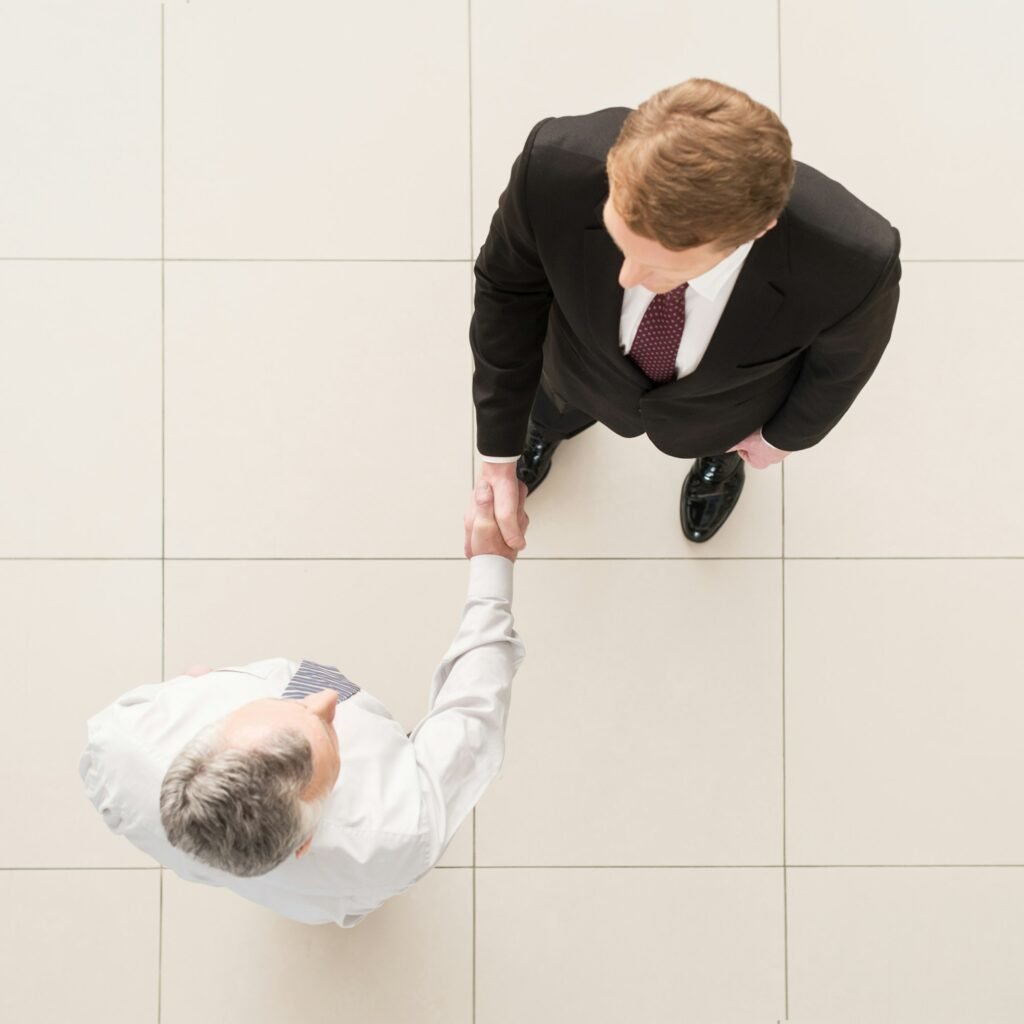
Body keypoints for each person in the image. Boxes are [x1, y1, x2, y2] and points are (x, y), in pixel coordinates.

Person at [468, 78, 901, 546]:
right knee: (554, 407)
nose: (627, 277)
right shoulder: (553, 166)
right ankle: (549, 428)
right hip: (578, 365)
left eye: (657, 265)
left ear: (755, 231)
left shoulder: (853, 263)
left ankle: (718, 460)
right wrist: (499, 450)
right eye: (619, 239)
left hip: (724, 411)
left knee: (717, 436)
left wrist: (780, 440)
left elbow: (840, 371)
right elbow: (508, 290)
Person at [79, 483, 526, 927]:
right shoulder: (401, 830)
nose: (327, 696)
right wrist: (492, 567)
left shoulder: (118, 740)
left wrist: (195, 683)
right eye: (327, 728)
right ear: (304, 843)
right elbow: (472, 707)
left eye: (270, 707)